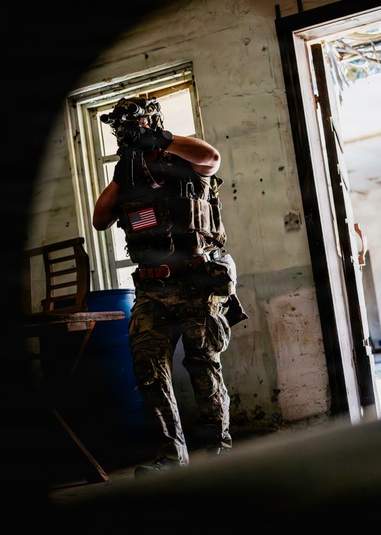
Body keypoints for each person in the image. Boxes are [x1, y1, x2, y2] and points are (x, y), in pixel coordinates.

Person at [92, 96, 247, 477]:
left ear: (152, 121)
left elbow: (212, 158)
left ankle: (217, 453)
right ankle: (170, 457)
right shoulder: (127, 172)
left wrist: (160, 139)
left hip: (197, 282)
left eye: (137, 124)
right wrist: (124, 169)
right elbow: (100, 219)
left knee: (202, 366)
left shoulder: (185, 157)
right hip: (151, 292)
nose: (130, 132)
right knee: (148, 371)